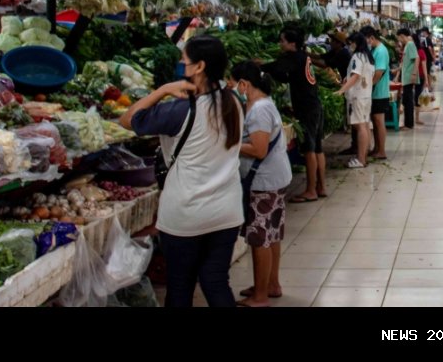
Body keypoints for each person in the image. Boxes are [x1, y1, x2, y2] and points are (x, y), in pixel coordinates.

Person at [120, 35, 242, 308]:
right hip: (227, 212)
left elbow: (127, 120)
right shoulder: (234, 102)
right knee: (216, 282)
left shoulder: (180, 110)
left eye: (183, 61)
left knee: (180, 288)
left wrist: (162, 90)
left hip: (186, 215)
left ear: (198, 67)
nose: (180, 66)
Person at [231, 61, 292, 308]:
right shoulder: (262, 105)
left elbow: (258, 149)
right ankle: (271, 285)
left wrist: (230, 144)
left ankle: (260, 297)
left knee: (259, 239)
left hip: (264, 182)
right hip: (273, 178)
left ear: (244, 84)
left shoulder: (258, 110)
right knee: (272, 235)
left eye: (233, 84)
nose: (231, 89)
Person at [264, 28, 326, 204]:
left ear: (292, 43)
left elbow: (276, 67)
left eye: (282, 40)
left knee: (309, 149)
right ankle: (321, 187)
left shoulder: (293, 58)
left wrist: (258, 65)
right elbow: (284, 76)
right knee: (318, 148)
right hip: (314, 105)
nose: (280, 44)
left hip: (307, 108)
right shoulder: (303, 57)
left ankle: (311, 190)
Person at [337, 32, 375, 168]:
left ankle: (360, 159)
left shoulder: (357, 57)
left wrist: (341, 90)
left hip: (357, 97)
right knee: (365, 126)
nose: (349, 46)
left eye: (350, 43)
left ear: (355, 43)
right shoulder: (368, 57)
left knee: (360, 127)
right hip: (366, 96)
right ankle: (364, 156)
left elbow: (355, 76)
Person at [317, 32, 355, 154]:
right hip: (346, 82)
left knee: (354, 118)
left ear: (339, 43)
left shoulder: (343, 53)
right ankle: (355, 145)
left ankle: (356, 146)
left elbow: (325, 64)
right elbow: (322, 57)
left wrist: (306, 60)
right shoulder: (336, 51)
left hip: (349, 84)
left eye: (333, 40)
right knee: (352, 117)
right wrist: (305, 54)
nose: (330, 42)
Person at [362, 25, 390, 161]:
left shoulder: (381, 51)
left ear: (372, 38)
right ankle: (377, 148)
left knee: (379, 121)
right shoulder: (374, 50)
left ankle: (382, 150)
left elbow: (379, 73)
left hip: (379, 92)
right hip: (374, 92)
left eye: (366, 40)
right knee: (375, 120)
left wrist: (368, 87)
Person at [397, 28, 419, 130]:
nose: (399, 41)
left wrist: (414, 73)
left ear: (402, 36)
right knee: (406, 100)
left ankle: (409, 124)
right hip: (406, 76)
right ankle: (407, 123)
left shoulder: (410, 44)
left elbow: (417, 58)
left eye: (399, 39)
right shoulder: (407, 46)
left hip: (409, 76)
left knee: (408, 100)